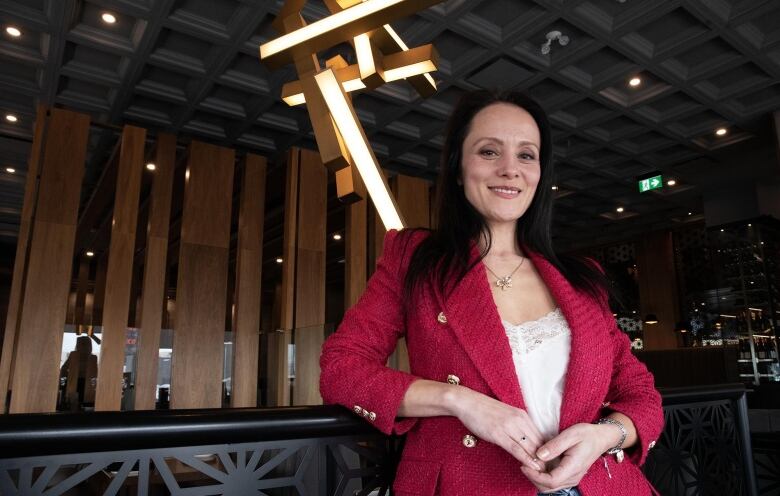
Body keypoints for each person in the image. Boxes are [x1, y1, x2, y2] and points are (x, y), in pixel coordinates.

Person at [320, 89, 663, 496]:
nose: (509, 169)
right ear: (458, 168)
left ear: (540, 174)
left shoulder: (581, 279)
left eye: (526, 155)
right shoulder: (415, 258)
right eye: (488, 151)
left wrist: (604, 436)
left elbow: (641, 394)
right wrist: (460, 401)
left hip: (599, 486)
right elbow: (341, 368)